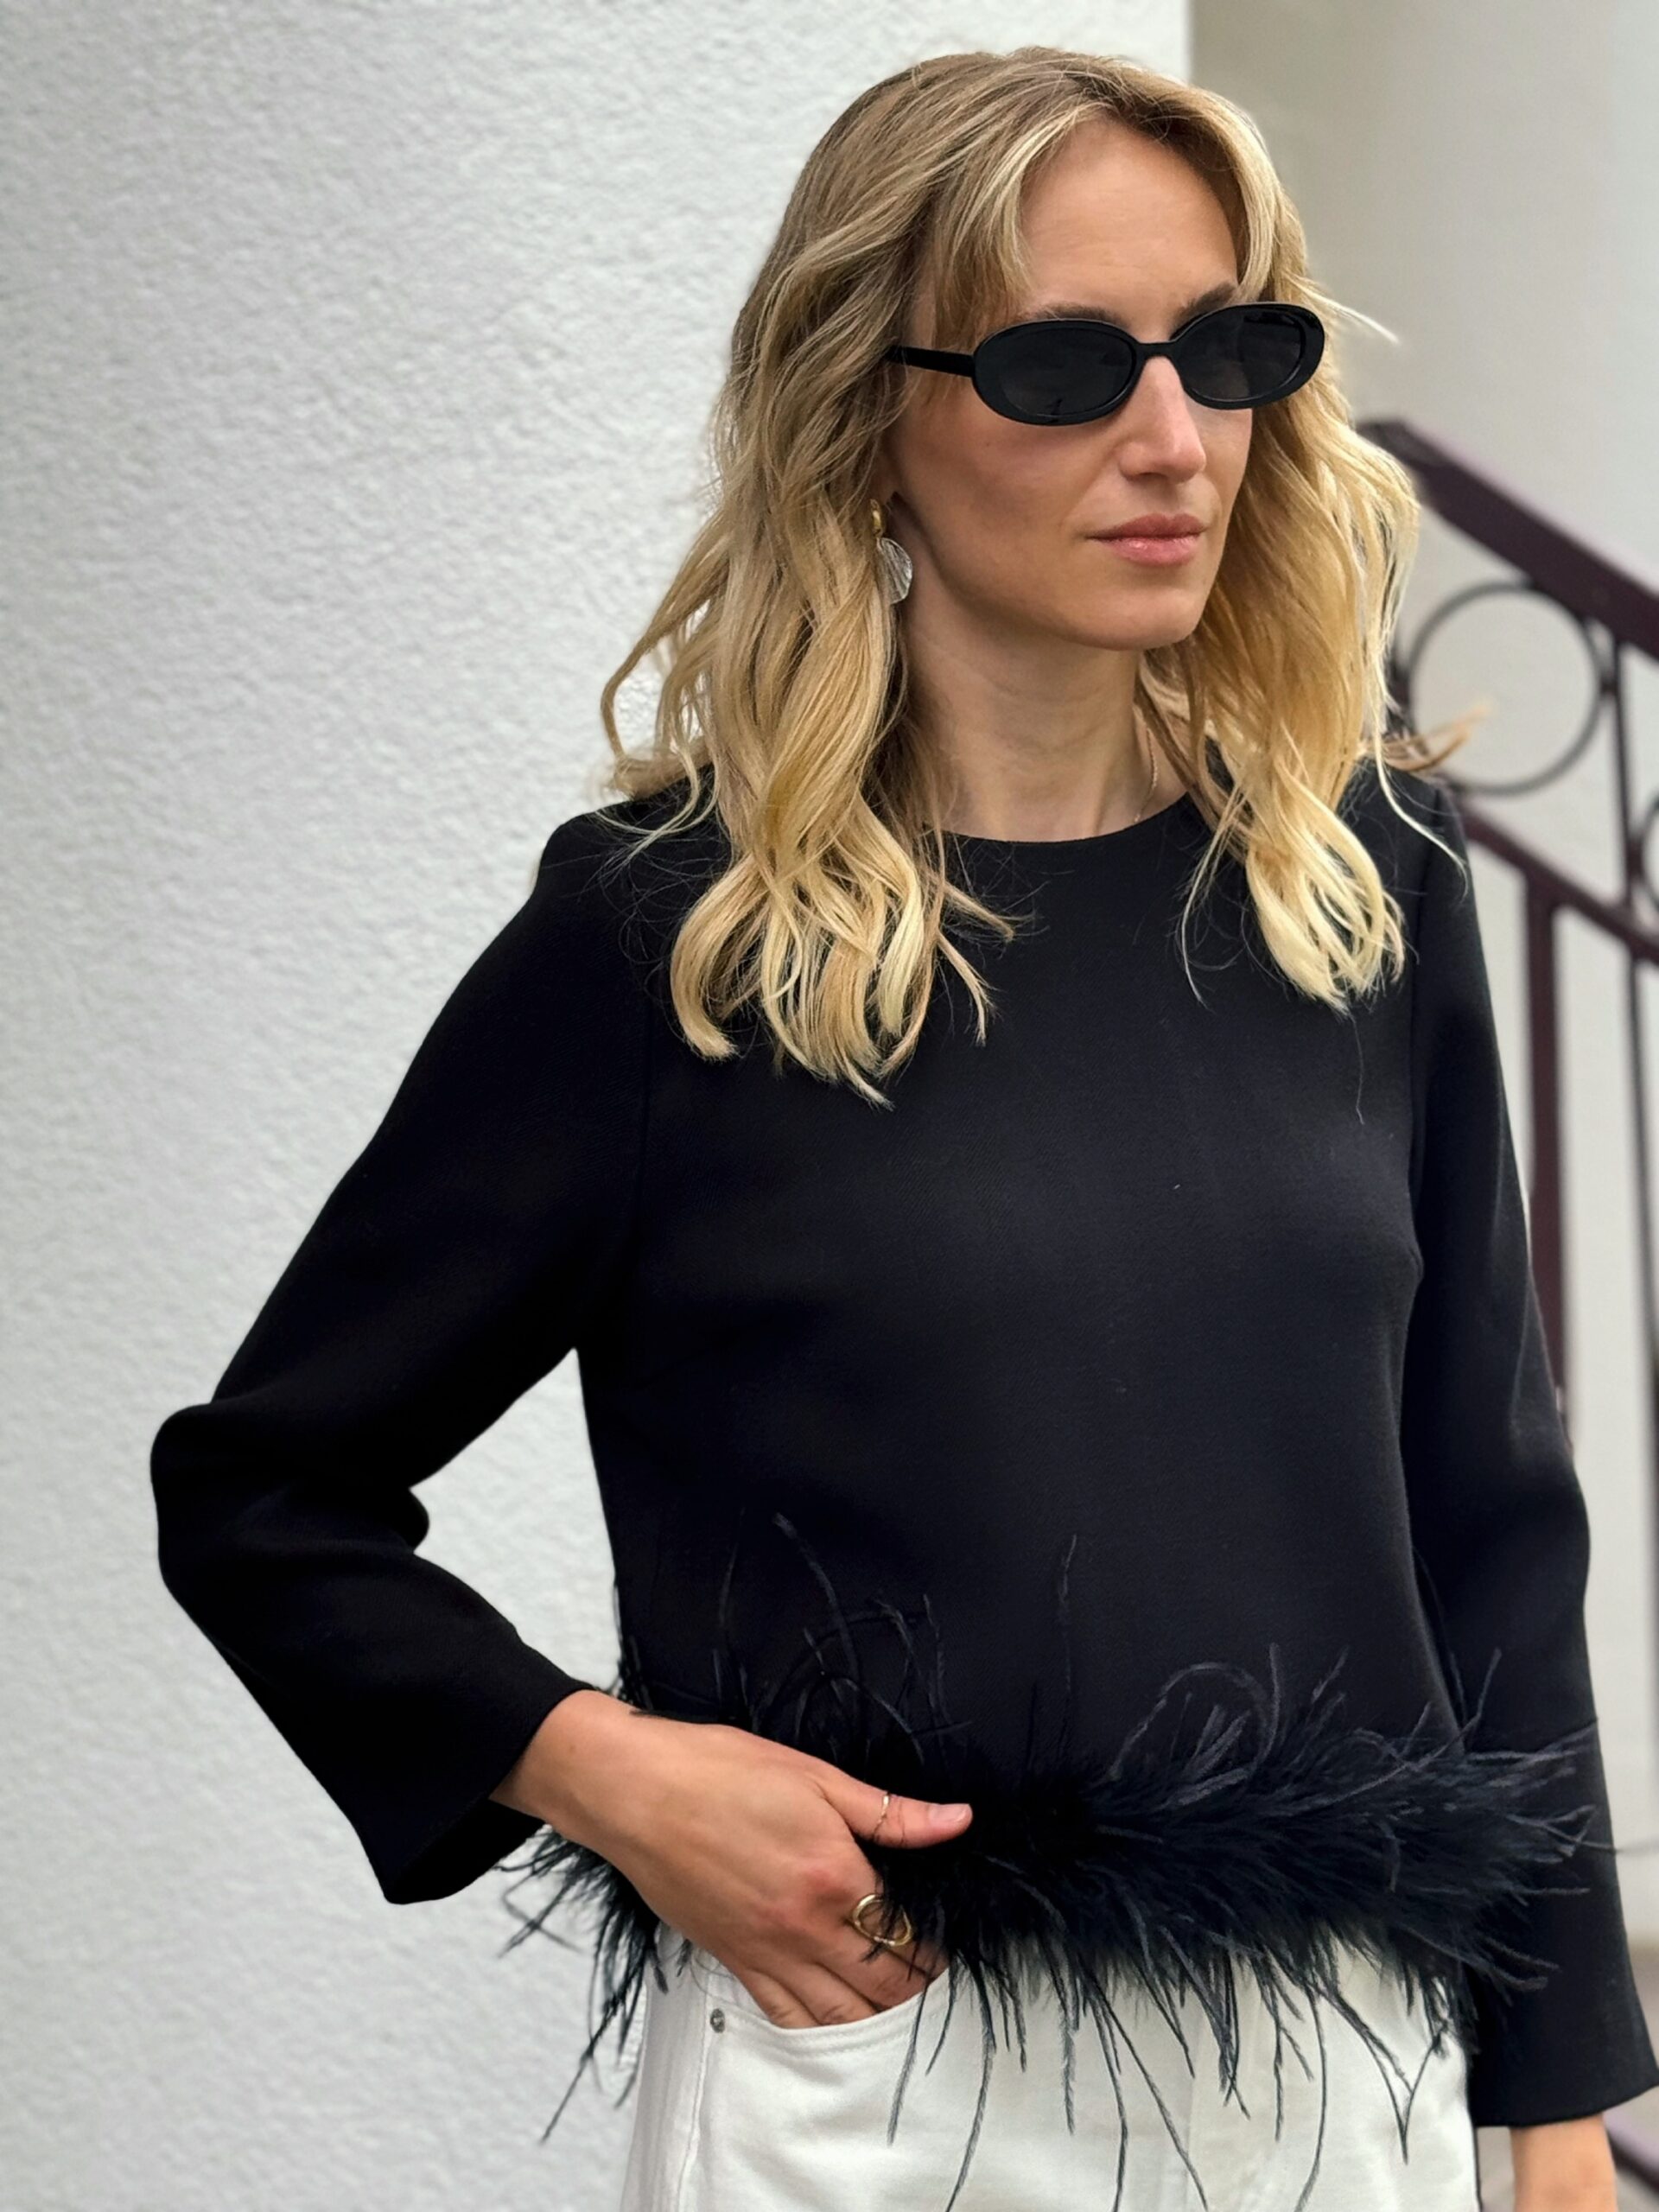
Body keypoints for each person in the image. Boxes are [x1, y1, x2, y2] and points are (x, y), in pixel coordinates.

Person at [149, 44, 1658, 2212]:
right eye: (1064, 365)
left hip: (1346, 2074)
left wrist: (1558, 2116)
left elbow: (1490, 1520)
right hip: (879, 2088)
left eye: (1227, 348)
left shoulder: (1358, 888)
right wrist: (609, 1770)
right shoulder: (672, 945)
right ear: (869, 414)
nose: (1175, 438)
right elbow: (263, 1493)